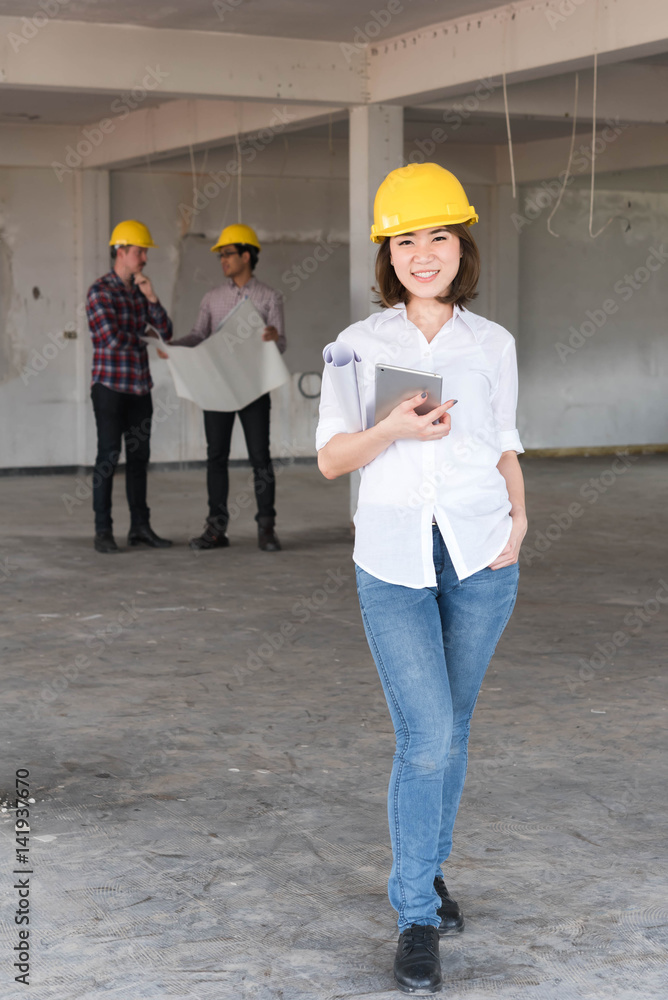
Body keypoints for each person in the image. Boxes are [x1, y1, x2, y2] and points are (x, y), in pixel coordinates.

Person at [316, 163, 527, 995]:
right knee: (426, 736)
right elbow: (334, 459)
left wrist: (521, 516)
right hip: (395, 561)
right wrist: (392, 427)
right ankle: (414, 915)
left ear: (460, 245)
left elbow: (504, 437)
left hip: (480, 554)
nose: (423, 253)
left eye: (437, 235)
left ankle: (430, 870)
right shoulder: (355, 345)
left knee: (455, 732)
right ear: (388, 254)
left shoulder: (494, 343)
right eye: (407, 239)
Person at [167, 223, 285, 552]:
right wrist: (174, 346)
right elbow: (198, 335)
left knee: (260, 458)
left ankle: (267, 528)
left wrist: (274, 338)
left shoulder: (269, 297)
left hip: (253, 388)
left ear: (247, 255)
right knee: (215, 457)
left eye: (228, 254)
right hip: (217, 387)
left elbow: (282, 343)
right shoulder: (212, 298)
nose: (223, 260)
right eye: (220, 255)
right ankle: (215, 529)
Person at [86, 220, 173, 554]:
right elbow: (109, 339)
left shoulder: (139, 292)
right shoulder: (100, 291)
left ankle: (140, 527)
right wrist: (145, 339)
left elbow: (164, 329)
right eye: (140, 251)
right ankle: (102, 530)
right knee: (108, 457)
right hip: (109, 387)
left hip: (139, 388)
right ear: (121, 251)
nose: (144, 258)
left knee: (139, 460)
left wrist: (152, 297)